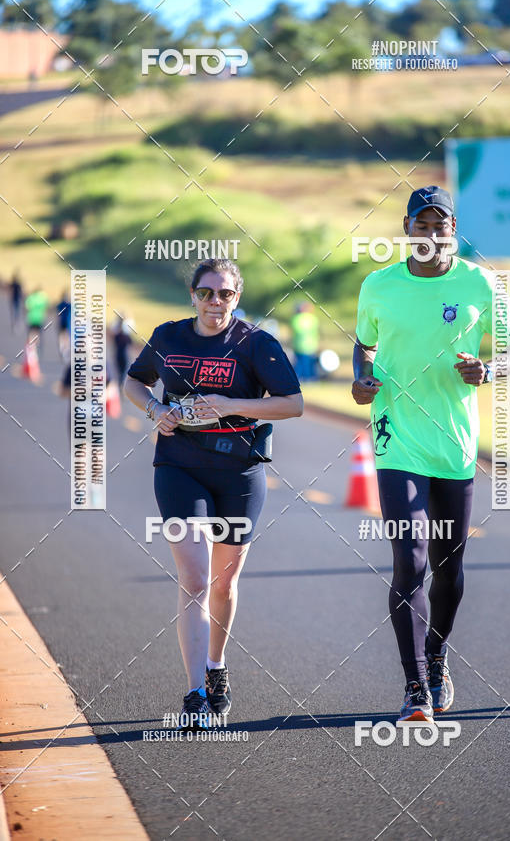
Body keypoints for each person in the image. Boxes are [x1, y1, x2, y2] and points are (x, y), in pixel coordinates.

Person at [352, 186, 510, 722]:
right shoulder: (378, 284)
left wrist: (491, 370)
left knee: (448, 568)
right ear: (406, 228)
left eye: (442, 225)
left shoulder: (480, 282)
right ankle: (415, 688)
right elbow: (364, 342)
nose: (432, 233)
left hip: (454, 444)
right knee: (409, 561)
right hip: (395, 438)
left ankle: (436, 654)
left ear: (453, 230)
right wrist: (363, 378)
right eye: (422, 223)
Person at [124, 259, 303, 722]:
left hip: (239, 471)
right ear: (193, 295)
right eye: (206, 293)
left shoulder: (256, 344)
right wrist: (154, 410)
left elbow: (293, 404)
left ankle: (216, 664)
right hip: (179, 464)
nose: (214, 302)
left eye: (224, 294)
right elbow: (133, 381)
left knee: (224, 582)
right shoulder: (168, 336)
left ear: (237, 298)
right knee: (196, 578)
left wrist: (229, 405)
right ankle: (195, 693)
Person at [291, 302, 319, 381]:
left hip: (301, 345)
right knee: (308, 364)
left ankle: (300, 378)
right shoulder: (313, 318)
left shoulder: (296, 318)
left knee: (301, 364)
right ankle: (309, 378)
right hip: (309, 345)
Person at [110, 315, 133, 387]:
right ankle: (120, 384)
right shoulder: (125, 335)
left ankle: (120, 383)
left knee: (120, 370)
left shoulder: (117, 335)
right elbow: (130, 342)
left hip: (118, 353)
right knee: (123, 370)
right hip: (122, 354)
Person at [56, 290, 71, 364]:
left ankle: (63, 350)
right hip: (66, 323)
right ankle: (64, 351)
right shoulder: (68, 305)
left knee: (63, 337)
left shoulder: (60, 304)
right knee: (65, 338)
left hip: (63, 323)